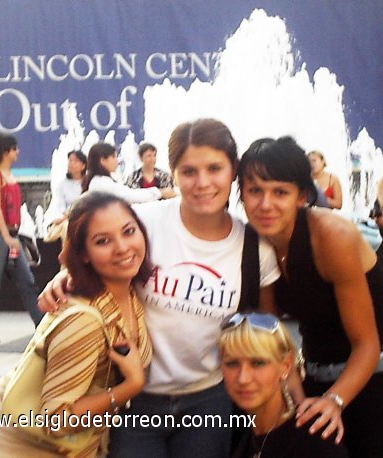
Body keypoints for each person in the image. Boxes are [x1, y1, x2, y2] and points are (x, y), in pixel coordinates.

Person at [40, 119, 281, 457]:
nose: (203, 183)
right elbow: (95, 251)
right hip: (134, 401)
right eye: (189, 171)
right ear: (174, 172)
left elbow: (265, 332)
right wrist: (63, 276)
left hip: (209, 400)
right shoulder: (143, 223)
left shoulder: (255, 249)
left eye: (215, 169)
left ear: (233, 170)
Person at [238, 136, 383, 457]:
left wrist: (335, 401)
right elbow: (272, 336)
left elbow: (367, 343)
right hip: (317, 382)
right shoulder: (255, 243)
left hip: (377, 380)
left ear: (301, 196)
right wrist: (297, 400)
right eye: (254, 191)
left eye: (280, 192)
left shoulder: (332, 236)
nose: (265, 204)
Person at [0, 191, 152, 457]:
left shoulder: (129, 292)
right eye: (103, 241)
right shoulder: (83, 321)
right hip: (22, 443)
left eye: (128, 231)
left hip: (73, 441)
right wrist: (130, 387)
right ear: (84, 254)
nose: (123, 247)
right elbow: (57, 419)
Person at [220, 312, 348, 458]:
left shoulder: (313, 439)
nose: (243, 378)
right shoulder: (233, 433)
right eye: (232, 363)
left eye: (258, 363)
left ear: (286, 365)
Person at [0, 133, 44, 346]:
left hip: (12, 237)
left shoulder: (9, 174)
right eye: (14, 149)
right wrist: (5, 235)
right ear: (5, 151)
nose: (17, 152)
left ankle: (42, 325)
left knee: (27, 281)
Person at [82, 142, 175, 203]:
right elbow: (130, 196)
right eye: (114, 157)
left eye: (154, 155)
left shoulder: (164, 175)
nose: (117, 161)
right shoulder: (102, 183)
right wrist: (160, 192)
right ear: (103, 160)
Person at [43, 149, 87, 239]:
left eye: (76, 161)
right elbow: (60, 206)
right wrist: (66, 217)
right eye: (70, 160)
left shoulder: (88, 183)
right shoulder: (62, 185)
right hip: (66, 219)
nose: (71, 164)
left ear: (83, 166)